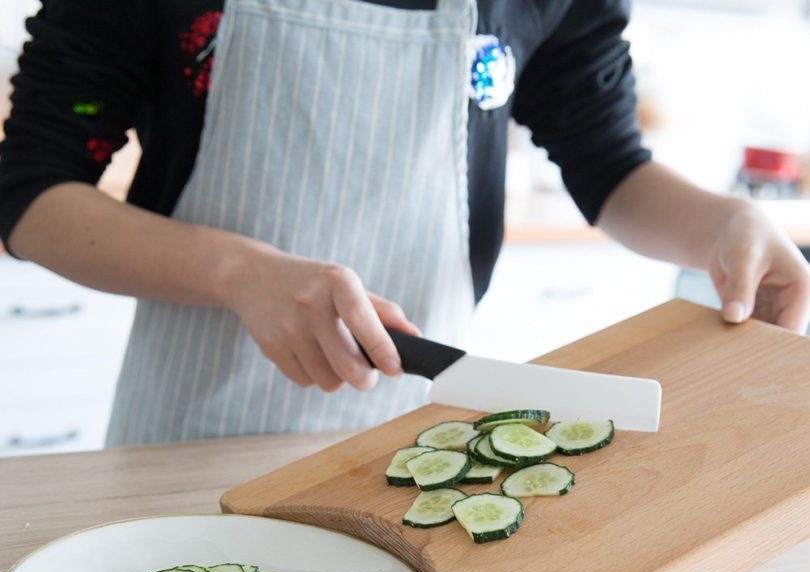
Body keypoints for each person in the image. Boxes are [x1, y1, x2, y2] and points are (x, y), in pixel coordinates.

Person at [1, 0, 808, 446]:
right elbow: (32, 194)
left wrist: (723, 224)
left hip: (418, 434)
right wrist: (238, 272)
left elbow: (608, 165)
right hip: (183, 435)